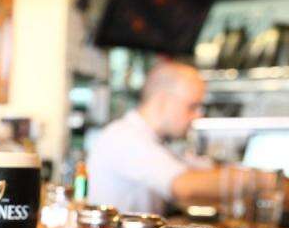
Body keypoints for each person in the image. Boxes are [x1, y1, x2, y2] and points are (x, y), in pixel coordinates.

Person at [87, 61, 226, 214]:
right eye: (192, 106)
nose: (198, 115)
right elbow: (183, 187)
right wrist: (245, 181)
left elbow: (198, 169)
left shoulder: (155, 139)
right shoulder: (124, 137)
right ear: (163, 100)